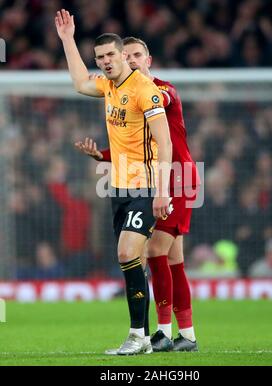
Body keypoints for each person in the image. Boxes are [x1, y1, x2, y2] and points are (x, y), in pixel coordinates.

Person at [55, 10, 172, 355]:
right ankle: (144, 337)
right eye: (100, 57)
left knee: (127, 252)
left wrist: (163, 190)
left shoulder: (144, 90)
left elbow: (164, 143)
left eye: (110, 55)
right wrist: (66, 39)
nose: (105, 62)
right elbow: (79, 82)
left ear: (124, 55)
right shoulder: (108, 87)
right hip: (118, 188)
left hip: (147, 186)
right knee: (130, 260)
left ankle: (140, 336)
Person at [76, 37, 200, 352]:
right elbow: (131, 140)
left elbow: (159, 102)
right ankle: (184, 335)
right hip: (152, 176)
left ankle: (156, 332)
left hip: (176, 178)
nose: (130, 60)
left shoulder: (161, 90)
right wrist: (102, 155)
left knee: (154, 250)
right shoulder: (125, 89)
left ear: (149, 59)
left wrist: (130, 84)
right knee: (173, 257)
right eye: (126, 55)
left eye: (136, 55)